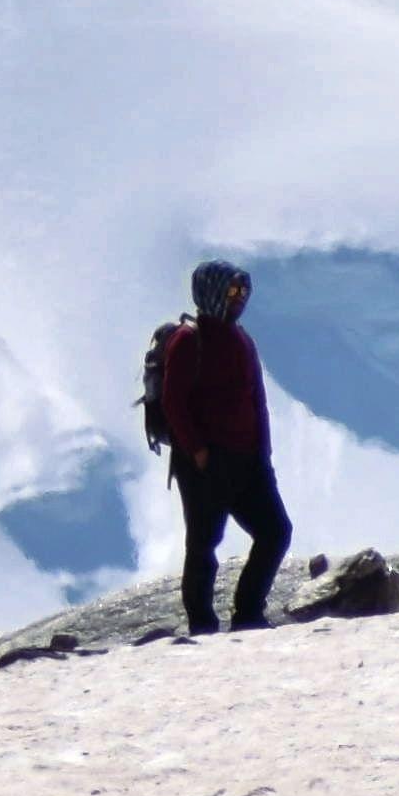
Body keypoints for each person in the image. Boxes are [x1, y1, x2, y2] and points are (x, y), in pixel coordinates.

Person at [142, 263, 289, 635]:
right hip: (205, 463)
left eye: (243, 293)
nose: (239, 300)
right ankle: (203, 626)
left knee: (275, 531)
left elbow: (257, 398)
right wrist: (198, 451)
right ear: (211, 292)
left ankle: (248, 614)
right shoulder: (189, 341)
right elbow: (174, 404)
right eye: (232, 292)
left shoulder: (242, 339)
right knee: (204, 546)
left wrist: (263, 452)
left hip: (249, 460)